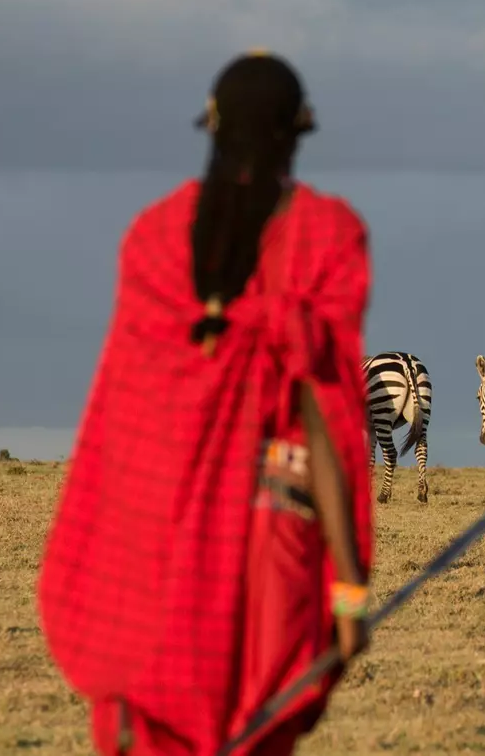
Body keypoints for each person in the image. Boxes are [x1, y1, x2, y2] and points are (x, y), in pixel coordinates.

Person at [36, 52, 376, 756]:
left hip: (150, 551)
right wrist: (347, 585)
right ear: (298, 130)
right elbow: (326, 416)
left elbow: (125, 418)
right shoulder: (327, 235)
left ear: (213, 129)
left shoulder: (153, 238)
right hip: (271, 551)